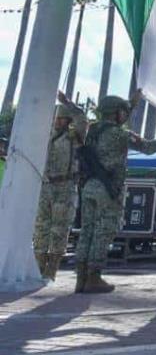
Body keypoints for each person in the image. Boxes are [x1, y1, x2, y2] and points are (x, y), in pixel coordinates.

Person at [74, 92, 156, 294]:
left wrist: (132, 102)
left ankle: (81, 278)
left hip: (88, 187)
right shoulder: (120, 134)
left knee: (87, 231)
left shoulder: (92, 130)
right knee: (103, 232)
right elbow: (149, 148)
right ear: (115, 113)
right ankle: (94, 277)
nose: (125, 115)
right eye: (122, 112)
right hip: (107, 188)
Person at [33, 92, 87, 280]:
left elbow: (82, 119)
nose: (58, 122)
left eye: (63, 119)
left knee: (59, 229)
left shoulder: (74, 137)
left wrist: (68, 103)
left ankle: (51, 271)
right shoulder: (46, 136)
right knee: (41, 227)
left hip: (65, 186)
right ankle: (38, 267)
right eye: (57, 118)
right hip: (46, 185)